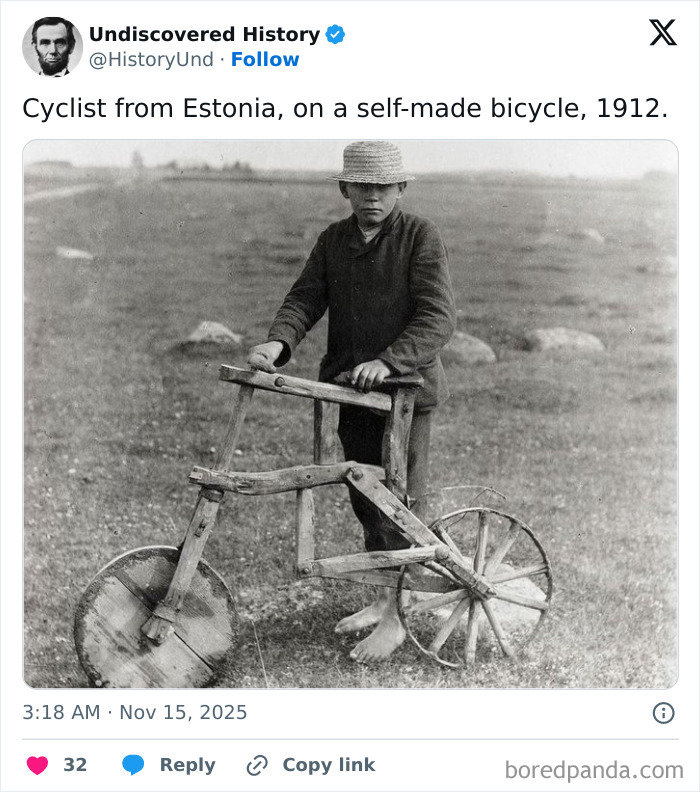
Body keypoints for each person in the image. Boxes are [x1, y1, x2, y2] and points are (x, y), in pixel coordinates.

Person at [248, 141, 456, 662]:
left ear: (400, 189)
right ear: (345, 188)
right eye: (362, 187)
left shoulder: (419, 237)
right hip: (351, 391)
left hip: (405, 394)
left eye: (383, 187)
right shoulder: (333, 240)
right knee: (364, 498)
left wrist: (389, 361)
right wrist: (280, 341)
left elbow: (437, 316)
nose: (373, 197)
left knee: (402, 503)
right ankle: (384, 598)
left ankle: (396, 616)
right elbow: (305, 298)